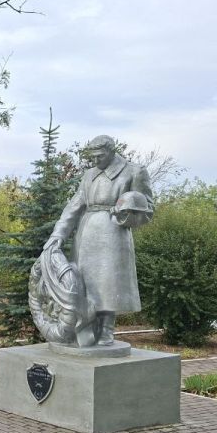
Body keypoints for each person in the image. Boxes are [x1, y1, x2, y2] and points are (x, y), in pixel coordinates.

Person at [44, 135, 153, 345]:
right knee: (83, 282)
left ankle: (106, 330)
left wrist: (127, 213)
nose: (95, 161)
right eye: (92, 157)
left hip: (114, 233)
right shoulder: (89, 175)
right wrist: (58, 234)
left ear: (112, 152)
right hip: (86, 235)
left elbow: (147, 208)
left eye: (99, 156)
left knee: (108, 283)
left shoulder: (134, 171)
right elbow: (74, 207)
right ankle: (85, 329)